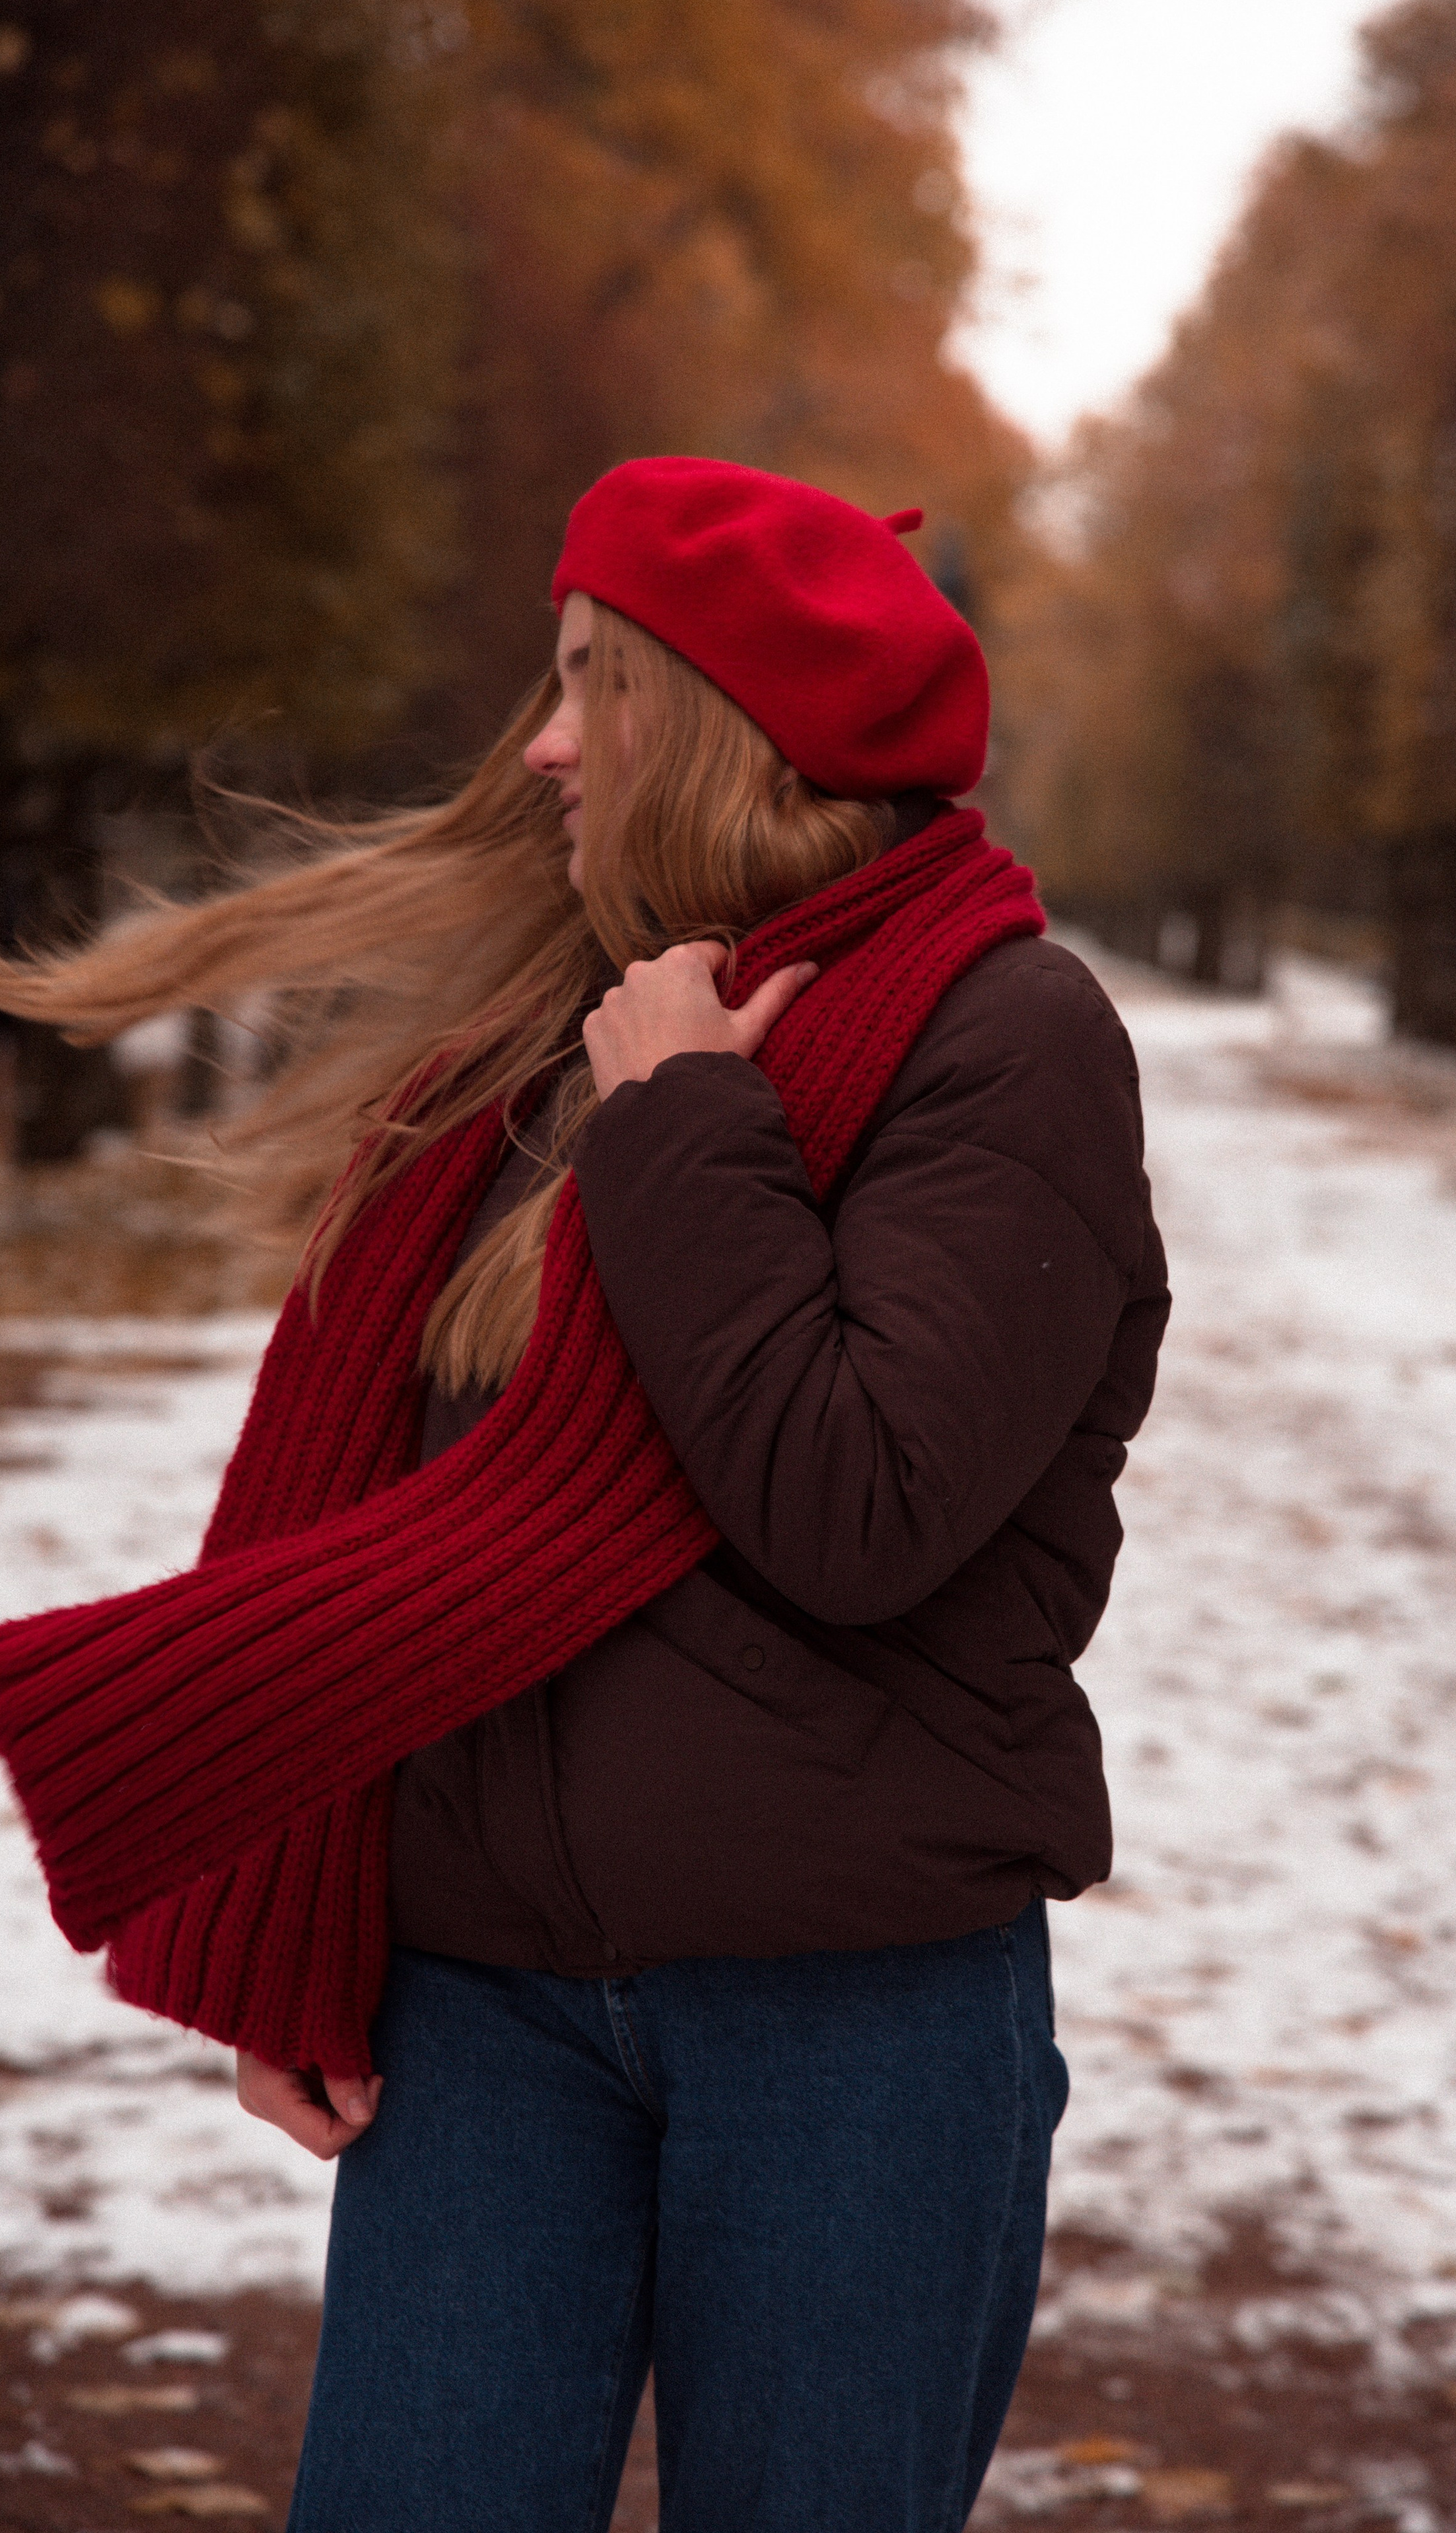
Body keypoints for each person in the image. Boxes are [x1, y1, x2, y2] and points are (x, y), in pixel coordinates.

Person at [0, 458, 1169, 2532]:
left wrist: (693, 1118)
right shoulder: (546, 1035)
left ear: (712, 723)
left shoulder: (1005, 1036)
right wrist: (297, 1916)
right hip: (482, 2016)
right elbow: (398, 1520)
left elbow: (858, 1505)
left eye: (586, 685)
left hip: (853, 2015)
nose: (543, 744)